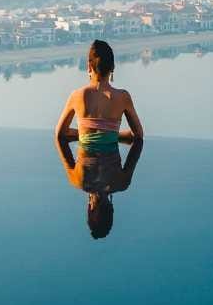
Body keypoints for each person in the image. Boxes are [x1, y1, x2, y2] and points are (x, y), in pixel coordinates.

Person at [54, 40, 145, 238]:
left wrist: (86, 135)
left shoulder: (77, 96)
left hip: (87, 144)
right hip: (110, 145)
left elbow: (60, 134)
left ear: (89, 66)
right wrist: (114, 136)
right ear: (113, 68)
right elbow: (138, 135)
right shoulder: (122, 97)